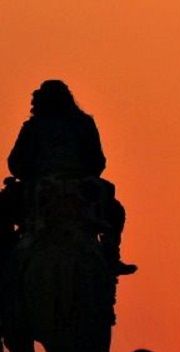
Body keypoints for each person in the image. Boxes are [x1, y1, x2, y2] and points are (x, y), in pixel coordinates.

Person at [7, 80, 136, 275]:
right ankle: (111, 254)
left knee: (4, 208)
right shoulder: (83, 123)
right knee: (114, 211)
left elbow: (16, 163)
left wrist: (31, 175)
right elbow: (98, 161)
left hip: (41, 182)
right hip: (79, 182)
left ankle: (6, 252)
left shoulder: (34, 126)